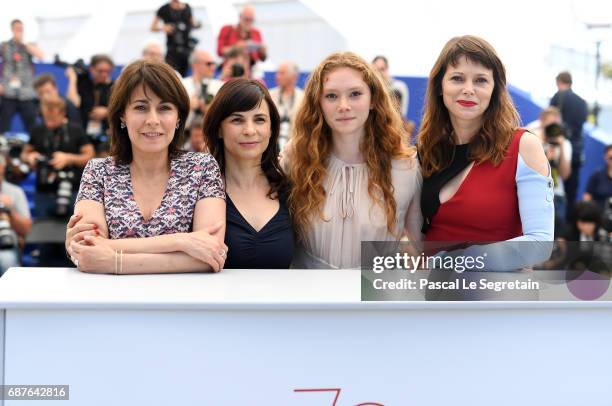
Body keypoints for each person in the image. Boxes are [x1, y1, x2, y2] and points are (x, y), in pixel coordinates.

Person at [65, 59, 227, 274]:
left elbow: (211, 255)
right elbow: (88, 249)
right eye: (141, 107)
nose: (153, 120)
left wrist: (115, 261)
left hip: (184, 301)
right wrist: (181, 242)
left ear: (179, 117)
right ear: (123, 114)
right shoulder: (98, 171)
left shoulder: (203, 167)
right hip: (112, 301)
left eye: (165, 108)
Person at [417, 35, 553, 270]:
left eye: (480, 80)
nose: (468, 89)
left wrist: (458, 261)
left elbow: (540, 244)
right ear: (440, 86)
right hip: (432, 296)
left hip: (496, 299)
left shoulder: (523, 146)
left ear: (494, 90)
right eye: (457, 78)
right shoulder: (425, 151)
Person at [283, 52, 422, 269]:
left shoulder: (407, 166)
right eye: (331, 96)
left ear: (373, 99)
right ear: (317, 103)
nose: (343, 105)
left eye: (355, 94)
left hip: (373, 298)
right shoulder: (296, 157)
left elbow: (420, 250)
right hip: (307, 297)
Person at [204, 79, 294, 269]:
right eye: (237, 120)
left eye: (259, 120)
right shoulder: (198, 190)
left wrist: (373, 294)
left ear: (271, 129)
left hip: (286, 298)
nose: (250, 130)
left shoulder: (291, 188)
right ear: (219, 128)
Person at [21, 96, 95, 218]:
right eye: (46, 117)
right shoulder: (37, 130)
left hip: (72, 191)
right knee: (43, 231)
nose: (49, 121)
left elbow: (90, 156)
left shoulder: (75, 130)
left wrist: (68, 158)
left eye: (53, 118)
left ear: (63, 114)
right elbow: (24, 154)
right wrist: (30, 157)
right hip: (43, 192)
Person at [550, 71, 588, 213]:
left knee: (553, 191)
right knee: (571, 196)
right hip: (577, 153)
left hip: (559, 152)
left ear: (559, 81)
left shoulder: (558, 96)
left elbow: (550, 123)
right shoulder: (582, 102)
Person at [0, 19, 44, 133]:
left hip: (27, 92)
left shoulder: (29, 45)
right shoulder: (4, 46)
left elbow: (40, 55)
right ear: (12, 29)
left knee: (32, 125)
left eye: (21, 29)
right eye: (16, 29)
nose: (19, 31)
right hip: (8, 92)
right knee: (3, 126)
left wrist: (23, 42)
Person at [65, 54, 114, 139]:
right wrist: (72, 78)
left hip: (105, 133)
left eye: (107, 71)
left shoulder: (114, 87)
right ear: (91, 69)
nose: (104, 75)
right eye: (100, 71)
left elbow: (124, 110)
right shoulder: (83, 83)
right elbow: (73, 103)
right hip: (82, 131)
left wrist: (107, 111)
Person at [0, 154, 32, 275]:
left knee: (7, 261)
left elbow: (27, 230)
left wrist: (9, 210)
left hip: (6, 247)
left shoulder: (15, 192)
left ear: (3, 169)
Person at [150, 0, 200, 76]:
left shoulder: (187, 7)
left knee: (187, 75)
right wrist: (163, 27)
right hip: (172, 50)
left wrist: (196, 24)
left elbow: (194, 23)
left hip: (187, 49)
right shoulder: (164, 9)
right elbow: (152, 27)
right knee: (172, 74)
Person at [181, 49, 223, 126]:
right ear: (195, 65)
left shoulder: (221, 86)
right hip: (184, 133)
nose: (213, 67)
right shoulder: (181, 85)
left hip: (211, 133)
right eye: (209, 64)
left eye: (214, 64)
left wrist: (212, 110)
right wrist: (187, 106)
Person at [269, 61, 304, 149]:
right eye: (277, 73)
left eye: (282, 73)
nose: (277, 76)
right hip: (272, 145)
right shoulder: (269, 95)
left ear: (294, 77)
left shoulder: (304, 98)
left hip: (295, 146)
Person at [583, 144, 612, 210]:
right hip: (597, 215)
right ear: (605, 157)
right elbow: (587, 197)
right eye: (611, 158)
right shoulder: (597, 175)